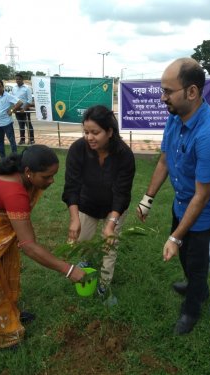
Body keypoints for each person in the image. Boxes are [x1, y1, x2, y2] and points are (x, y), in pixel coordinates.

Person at [137, 58, 210, 335]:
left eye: (168, 91)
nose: (162, 97)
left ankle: (193, 305)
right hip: (182, 204)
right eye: (162, 90)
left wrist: (175, 237)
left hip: (206, 213)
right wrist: (148, 199)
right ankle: (195, 286)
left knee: (196, 261)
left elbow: (203, 196)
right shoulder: (174, 119)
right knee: (185, 258)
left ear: (192, 92)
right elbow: (164, 162)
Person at [0, 145, 85, 349]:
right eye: (47, 177)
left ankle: (10, 312)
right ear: (28, 172)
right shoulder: (14, 193)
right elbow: (29, 246)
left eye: (54, 175)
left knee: (4, 268)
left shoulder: (23, 176)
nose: (52, 181)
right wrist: (69, 270)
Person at [62, 105, 135, 296]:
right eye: (86, 132)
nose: (89, 137)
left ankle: (104, 284)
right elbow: (72, 186)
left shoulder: (124, 155)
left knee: (109, 245)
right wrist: (74, 218)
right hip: (87, 204)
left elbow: (122, 193)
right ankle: (85, 260)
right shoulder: (78, 149)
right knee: (82, 240)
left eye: (95, 132)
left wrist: (111, 224)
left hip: (114, 208)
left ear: (109, 132)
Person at [0, 79, 23, 158]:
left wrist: (12, 110)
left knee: (12, 141)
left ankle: (15, 158)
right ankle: (2, 159)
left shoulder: (8, 96)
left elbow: (20, 102)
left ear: (3, 86)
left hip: (7, 123)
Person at [12, 73, 35, 145]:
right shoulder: (14, 88)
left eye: (19, 79)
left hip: (25, 110)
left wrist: (24, 108)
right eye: (16, 79)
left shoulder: (27, 88)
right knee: (20, 125)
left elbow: (29, 100)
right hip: (17, 110)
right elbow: (12, 99)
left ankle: (31, 140)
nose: (18, 80)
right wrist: (14, 108)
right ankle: (22, 140)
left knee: (28, 124)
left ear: (22, 80)